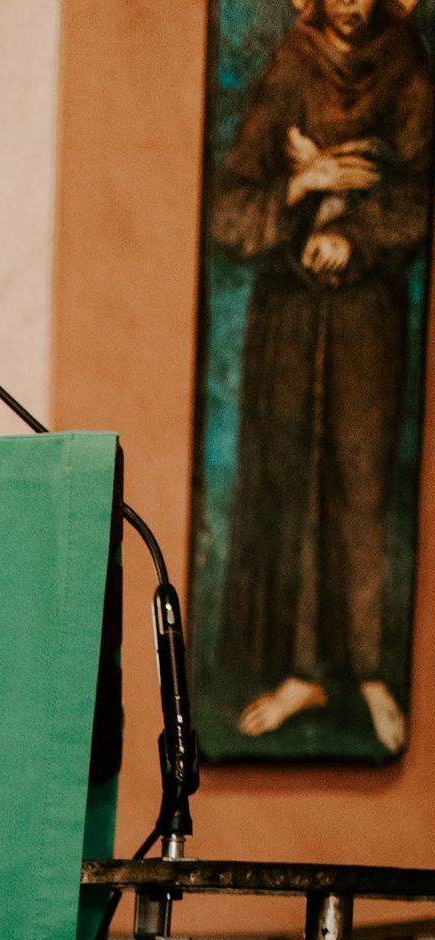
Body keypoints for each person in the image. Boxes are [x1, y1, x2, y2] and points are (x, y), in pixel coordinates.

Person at [210, 0, 434, 752]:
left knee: (364, 480)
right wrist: (302, 189)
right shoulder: (292, 65)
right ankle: (303, 671)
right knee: (293, 482)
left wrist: (352, 230)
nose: (349, 3)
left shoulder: (405, 66)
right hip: (289, 317)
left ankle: (371, 669)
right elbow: (230, 208)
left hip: (366, 314)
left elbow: (418, 196)